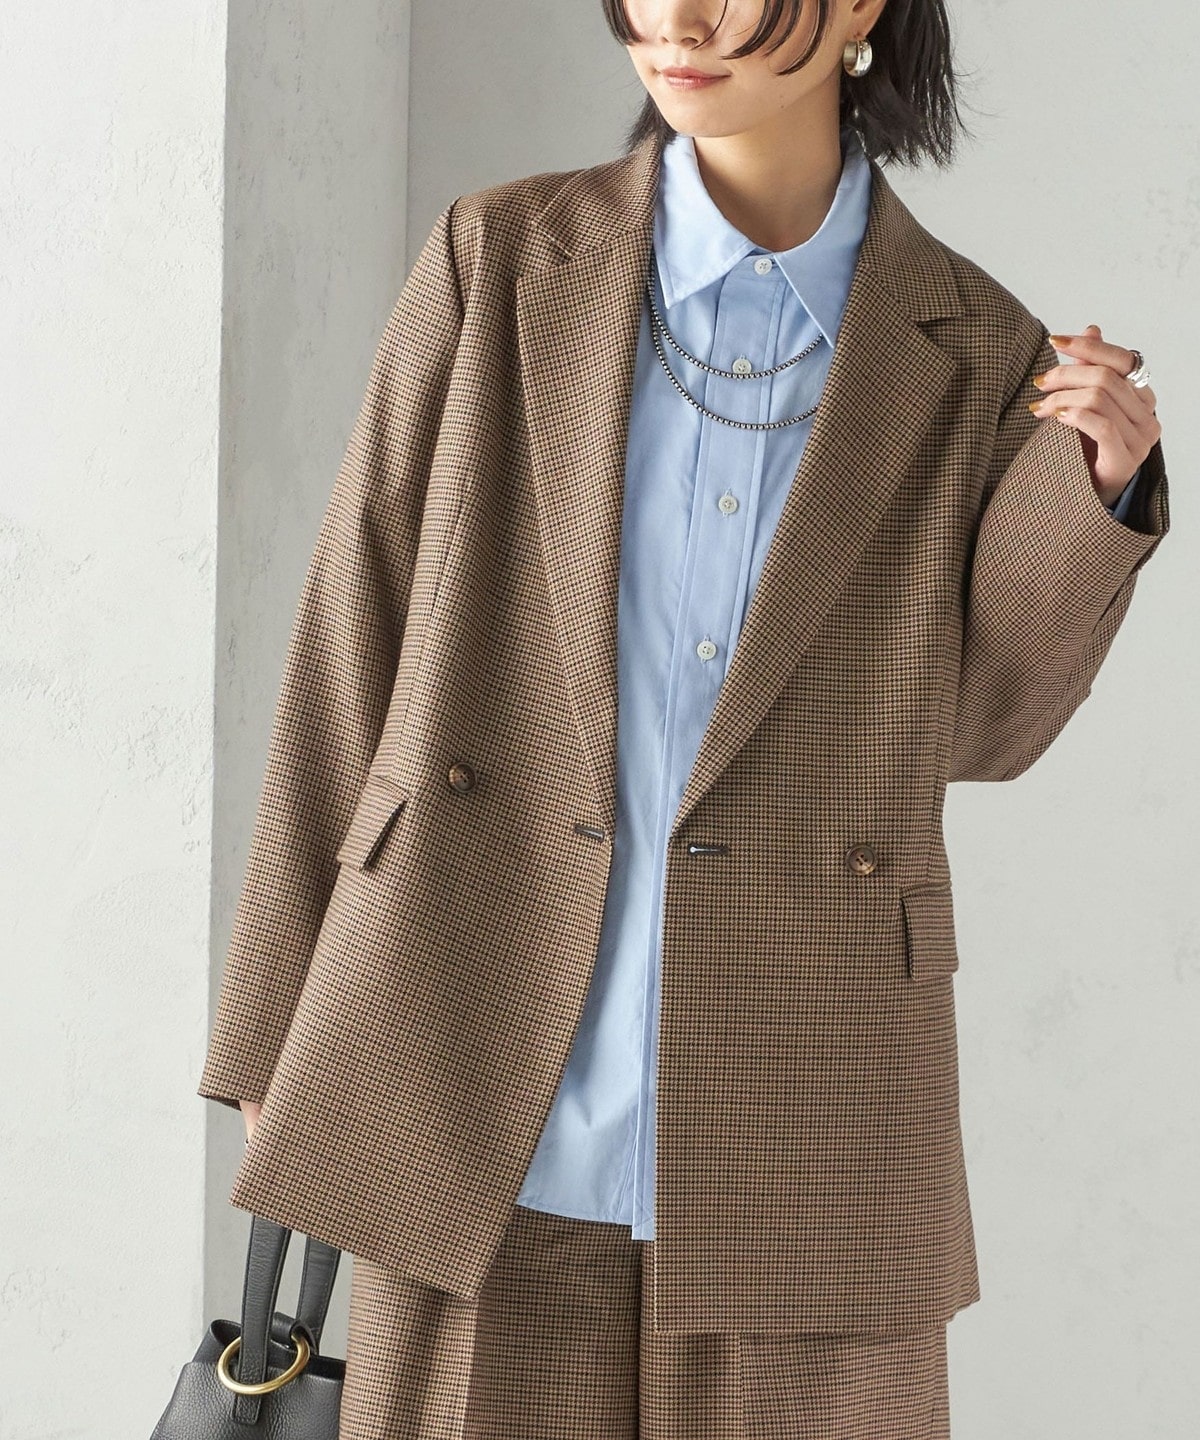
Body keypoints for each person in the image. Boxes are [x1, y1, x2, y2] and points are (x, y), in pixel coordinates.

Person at [203, 2, 1169, 1436]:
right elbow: (354, 636)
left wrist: (1090, 500)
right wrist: (275, 1022)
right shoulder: (502, 261)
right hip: (474, 1070)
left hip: (808, 1113)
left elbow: (981, 731)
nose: (677, 19)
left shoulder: (977, 349)